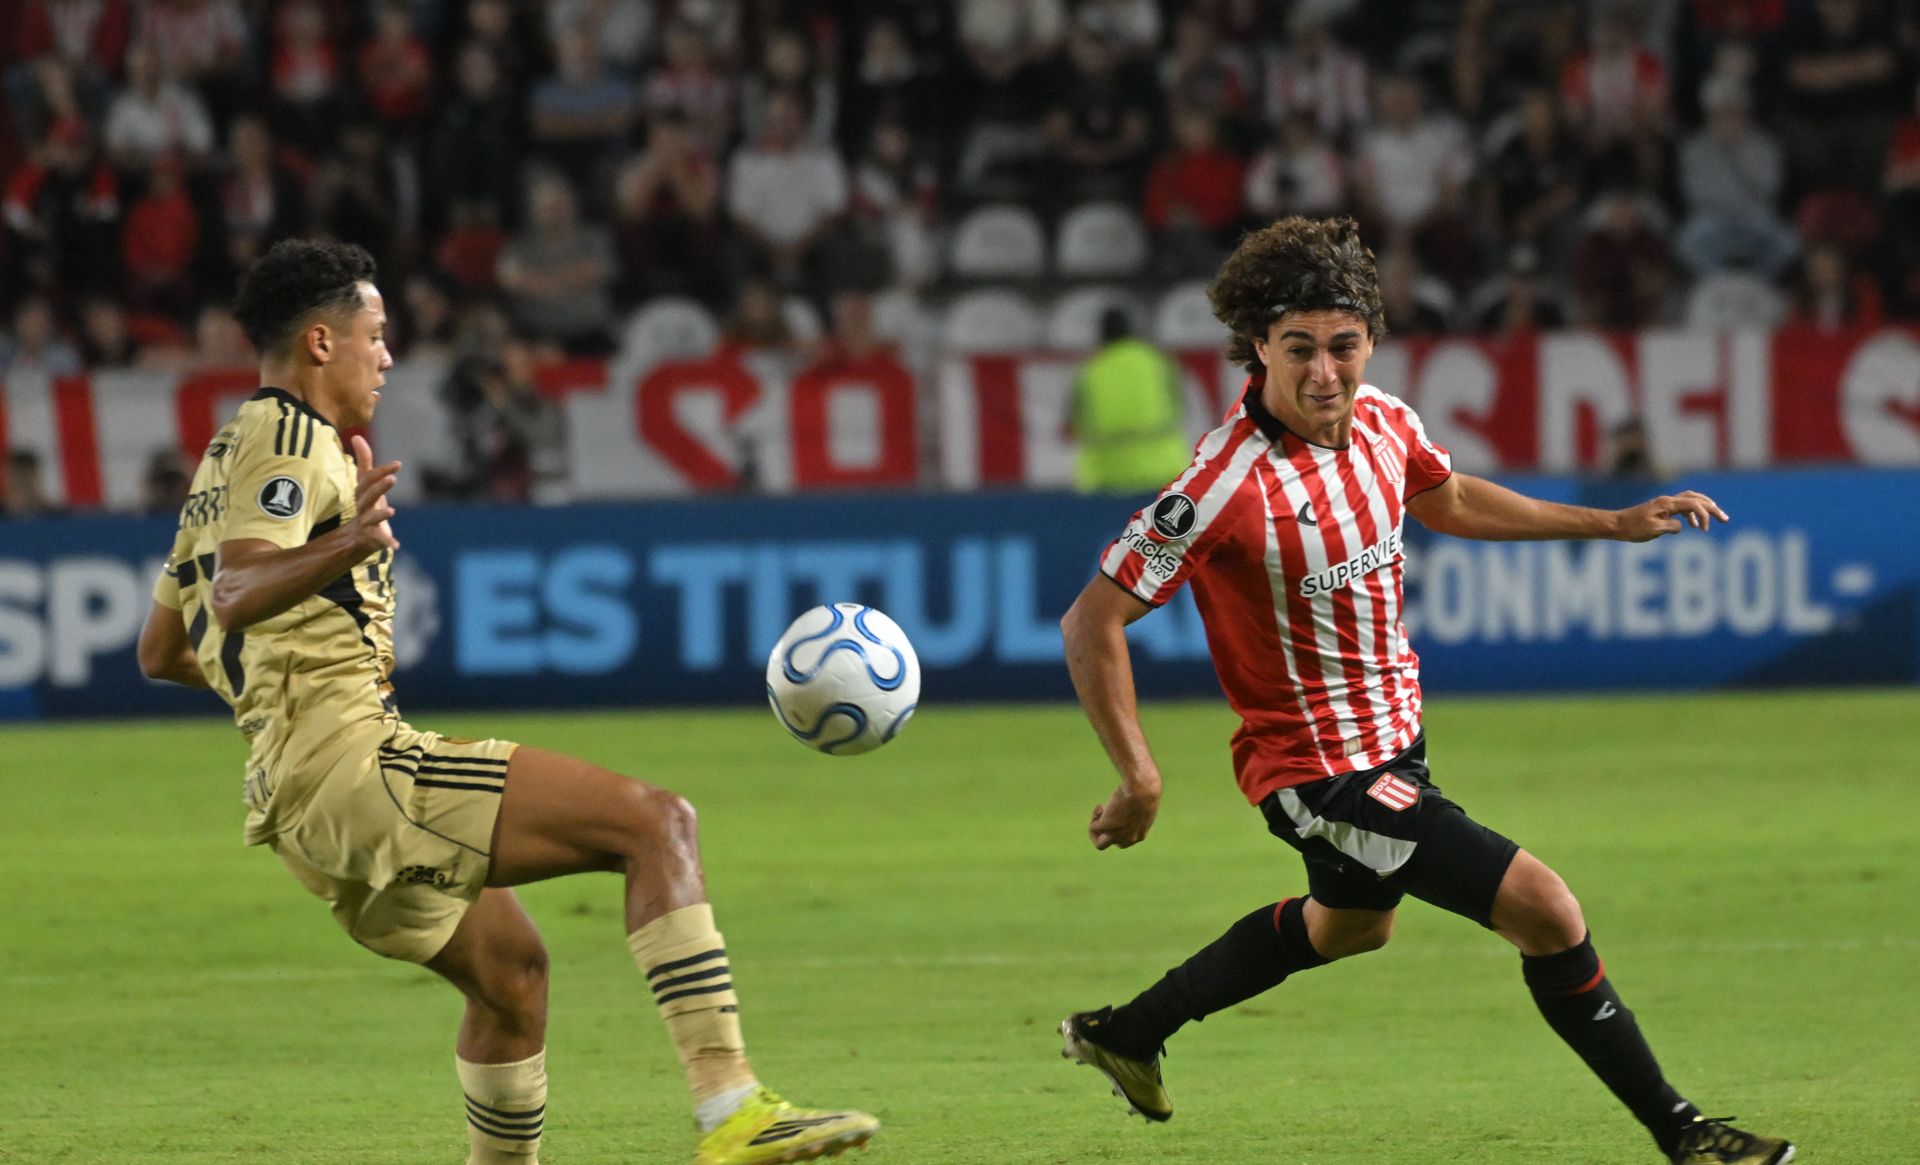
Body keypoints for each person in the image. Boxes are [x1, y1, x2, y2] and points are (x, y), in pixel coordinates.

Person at [1053, 216, 1794, 1165]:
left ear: (1372, 339)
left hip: (1396, 745)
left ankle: (1127, 1031)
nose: (1325, 372)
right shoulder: (1220, 486)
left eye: (1343, 345)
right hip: (1319, 772)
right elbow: (1092, 621)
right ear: (1259, 348)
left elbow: (1450, 498)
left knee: (1351, 926)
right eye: (1299, 349)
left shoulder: (1384, 423)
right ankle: (1686, 1132)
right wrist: (1140, 776)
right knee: (1546, 909)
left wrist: (1611, 522)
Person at [134, 239, 877, 1165]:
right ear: (321, 342)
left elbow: (165, 649)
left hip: (296, 796)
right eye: (376, 333)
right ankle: (731, 1103)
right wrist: (348, 543)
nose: (387, 355)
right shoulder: (288, 435)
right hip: (355, 768)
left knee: (511, 977)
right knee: (657, 823)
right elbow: (238, 591)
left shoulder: (222, 459)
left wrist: (277, 703)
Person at [1068, 308, 1190, 493]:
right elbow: (1179, 407)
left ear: (1101, 336)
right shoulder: (1157, 362)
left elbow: (1076, 426)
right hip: (1163, 470)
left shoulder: (1090, 371)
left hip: (1108, 477)